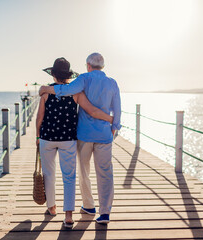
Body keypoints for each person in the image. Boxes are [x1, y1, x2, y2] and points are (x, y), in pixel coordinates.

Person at [39, 53, 121, 224]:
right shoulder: (105, 85)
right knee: (90, 175)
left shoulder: (78, 81)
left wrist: (46, 89)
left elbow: (45, 112)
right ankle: (88, 214)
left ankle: (71, 206)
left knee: (68, 172)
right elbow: (105, 109)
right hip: (87, 136)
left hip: (68, 135)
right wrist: (113, 124)